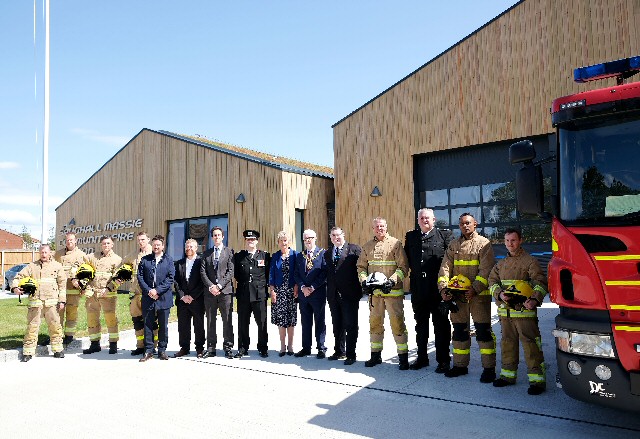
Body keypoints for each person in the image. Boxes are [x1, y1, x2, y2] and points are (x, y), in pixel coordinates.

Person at [438, 212, 496, 382]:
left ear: (475, 224)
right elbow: (445, 269)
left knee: (483, 332)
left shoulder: (484, 244)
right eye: (462, 223)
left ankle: (489, 368)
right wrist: (444, 289)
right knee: (459, 332)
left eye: (468, 223)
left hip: (478, 297)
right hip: (458, 298)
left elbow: (487, 269)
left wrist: (475, 288)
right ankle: (460, 366)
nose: (465, 226)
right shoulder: (453, 245)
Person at [489, 228, 548, 395]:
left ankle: (537, 381)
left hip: (524, 313)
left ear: (520, 240)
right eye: (507, 241)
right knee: (507, 344)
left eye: (513, 240)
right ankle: (508, 376)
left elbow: (541, 282)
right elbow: (492, 281)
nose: (510, 244)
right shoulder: (500, 264)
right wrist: (499, 293)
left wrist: (535, 299)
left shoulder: (530, 261)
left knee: (531, 345)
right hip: (505, 313)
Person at [357, 217, 410, 370]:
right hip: (375, 295)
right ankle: (375, 355)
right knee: (375, 325)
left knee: (398, 324)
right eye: (377, 227)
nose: (379, 229)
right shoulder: (367, 246)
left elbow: (403, 267)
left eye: (382, 226)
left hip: (393, 293)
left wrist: (392, 281)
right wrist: (364, 281)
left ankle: (403, 357)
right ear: (373, 229)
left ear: (386, 227)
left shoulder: (395, 244)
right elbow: (361, 267)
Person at [404, 208, 453, 372]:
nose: (425, 220)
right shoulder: (411, 236)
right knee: (421, 326)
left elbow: (450, 262)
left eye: (427, 218)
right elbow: (408, 259)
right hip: (418, 289)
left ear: (434, 219)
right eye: (422, 218)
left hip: (437, 289)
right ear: (418, 220)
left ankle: (443, 360)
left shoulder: (444, 236)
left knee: (441, 326)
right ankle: (422, 358)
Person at [12, 244, 66, 362]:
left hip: (52, 303)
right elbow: (18, 277)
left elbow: (62, 285)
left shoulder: (57, 266)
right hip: (35, 303)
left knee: (55, 326)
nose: (44, 254)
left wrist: (62, 300)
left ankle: (57, 350)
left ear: (50, 253)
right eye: (42, 252)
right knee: (32, 327)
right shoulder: (32, 266)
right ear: (39, 253)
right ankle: (28, 352)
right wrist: (15, 287)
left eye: (46, 252)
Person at [76, 236, 122, 355]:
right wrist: (77, 280)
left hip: (108, 294)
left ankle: (113, 344)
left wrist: (108, 288)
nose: (106, 245)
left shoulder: (117, 260)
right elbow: (80, 265)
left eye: (108, 243)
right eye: (103, 244)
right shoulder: (92, 257)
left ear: (112, 245)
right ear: (101, 245)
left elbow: (119, 279)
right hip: (92, 294)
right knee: (92, 319)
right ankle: (95, 344)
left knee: (110, 319)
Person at [324, 226, 362, 366]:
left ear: (343, 234)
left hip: (349, 294)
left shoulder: (354, 249)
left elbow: (362, 269)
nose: (336, 238)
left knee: (351, 325)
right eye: (333, 236)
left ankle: (351, 354)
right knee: (337, 324)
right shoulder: (328, 253)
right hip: (333, 295)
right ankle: (339, 351)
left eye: (338, 235)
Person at [137, 235, 175, 362]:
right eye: (154, 245)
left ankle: (162, 350)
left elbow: (170, 278)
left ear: (163, 246)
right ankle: (148, 350)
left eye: (158, 245)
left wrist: (157, 290)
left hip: (163, 298)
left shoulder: (169, 260)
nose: (156, 247)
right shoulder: (145, 259)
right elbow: (140, 277)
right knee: (147, 324)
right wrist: (149, 291)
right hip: (148, 298)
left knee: (163, 326)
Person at [234, 230, 270, 358]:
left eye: (253, 239)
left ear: (257, 241)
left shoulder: (264, 256)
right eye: (248, 239)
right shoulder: (239, 257)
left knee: (262, 322)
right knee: (243, 323)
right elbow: (237, 275)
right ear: (245, 241)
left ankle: (263, 347)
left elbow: (267, 274)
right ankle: (243, 347)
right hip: (243, 294)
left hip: (259, 294)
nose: (251, 241)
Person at [200, 227, 235, 359]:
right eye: (214, 235)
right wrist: (211, 286)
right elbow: (203, 272)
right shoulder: (206, 253)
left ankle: (228, 347)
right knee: (210, 320)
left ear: (222, 237)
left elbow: (230, 271)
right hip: (210, 293)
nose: (217, 237)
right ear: (212, 237)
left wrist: (219, 286)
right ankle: (211, 348)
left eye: (219, 235)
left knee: (227, 320)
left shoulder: (229, 252)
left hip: (225, 292)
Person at [293, 229, 328, 359]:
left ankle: (321, 348)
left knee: (319, 321)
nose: (308, 240)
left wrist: (312, 287)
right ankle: (306, 348)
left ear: (315, 238)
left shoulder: (323, 253)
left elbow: (324, 273)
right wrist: (302, 287)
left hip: (317, 293)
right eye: (306, 238)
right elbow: (296, 273)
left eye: (310, 238)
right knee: (306, 322)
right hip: (303, 295)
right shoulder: (300, 256)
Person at [121, 231, 153, 356]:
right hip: (135, 294)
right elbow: (122, 266)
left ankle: (151, 346)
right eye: (139, 240)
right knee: (137, 321)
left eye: (143, 239)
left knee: (151, 321)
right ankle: (140, 345)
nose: (141, 242)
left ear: (148, 240)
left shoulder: (154, 253)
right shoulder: (133, 255)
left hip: (149, 294)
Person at [173, 238, 206, 358]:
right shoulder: (179, 263)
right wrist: (182, 296)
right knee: (183, 325)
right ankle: (184, 348)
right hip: (182, 301)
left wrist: (192, 296)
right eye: (187, 246)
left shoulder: (201, 262)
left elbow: (203, 282)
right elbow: (176, 281)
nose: (189, 249)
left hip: (197, 300)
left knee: (199, 325)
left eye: (191, 247)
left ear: (196, 248)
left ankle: (199, 348)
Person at [268, 231, 298, 357]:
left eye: (285, 240)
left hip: (291, 291)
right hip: (279, 292)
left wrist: (297, 286)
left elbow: (298, 272)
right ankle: (282, 346)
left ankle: (290, 345)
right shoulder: (275, 256)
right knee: (281, 321)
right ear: (278, 243)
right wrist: (272, 290)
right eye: (281, 241)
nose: (283, 243)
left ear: (289, 241)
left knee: (291, 320)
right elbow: (271, 274)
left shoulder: (295, 255)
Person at [54, 232, 86, 346]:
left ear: (76, 241)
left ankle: (69, 336)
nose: (69, 242)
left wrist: (81, 285)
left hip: (73, 291)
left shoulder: (81, 255)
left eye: (71, 240)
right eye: (67, 240)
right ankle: (56, 336)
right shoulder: (58, 255)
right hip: (59, 291)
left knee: (72, 314)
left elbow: (85, 273)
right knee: (57, 314)